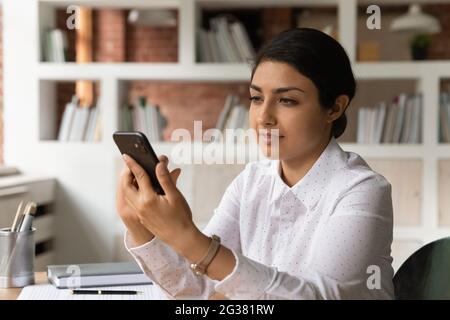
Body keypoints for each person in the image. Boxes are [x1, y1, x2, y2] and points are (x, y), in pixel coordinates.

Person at [116, 28, 394, 300]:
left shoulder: (363, 190)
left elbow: (318, 297)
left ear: (334, 108)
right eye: (257, 98)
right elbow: (200, 290)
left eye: (287, 100)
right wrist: (141, 227)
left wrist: (187, 238)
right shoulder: (251, 181)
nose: (264, 117)